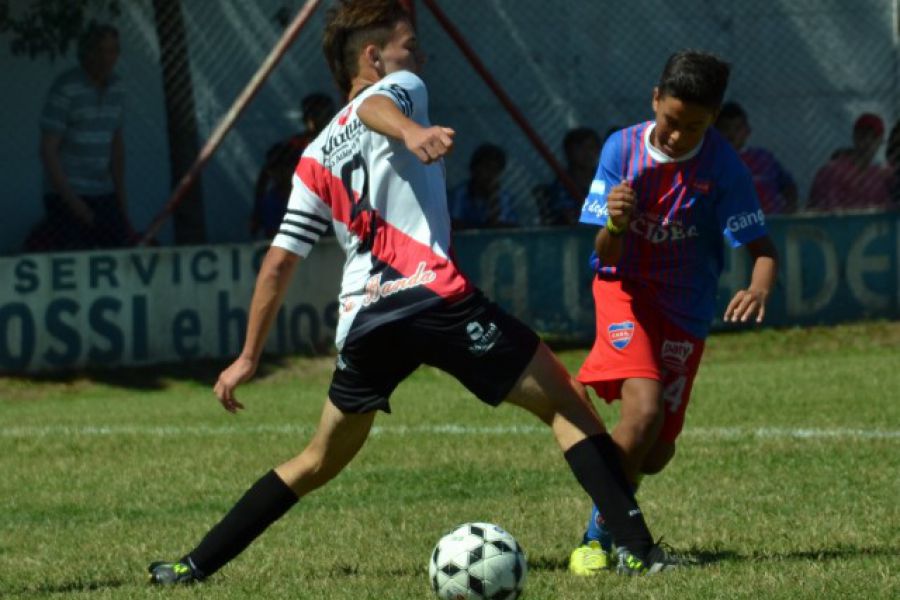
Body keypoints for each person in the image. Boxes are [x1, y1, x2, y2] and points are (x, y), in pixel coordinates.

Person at [147, 0, 677, 585]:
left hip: (366, 322)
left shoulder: (311, 156)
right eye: (410, 46)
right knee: (566, 406)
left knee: (316, 459)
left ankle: (191, 566)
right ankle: (636, 549)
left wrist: (248, 355)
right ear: (374, 57)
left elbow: (277, 262)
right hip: (432, 297)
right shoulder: (398, 88)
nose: (420, 57)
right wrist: (412, 130)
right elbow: (374, 106)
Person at [568, 50, 778, 576]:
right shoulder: (621, 148)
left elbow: (763, 249)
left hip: (685, 309)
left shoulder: (724, 168)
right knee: (640, 414)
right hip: (625, 292)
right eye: (670, 120)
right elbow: (605, 254)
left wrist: (758, 287)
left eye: (694, 126)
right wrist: (615, 225)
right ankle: (599, 539)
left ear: (714, 120)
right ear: (655, 99)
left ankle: (617, 524)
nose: (677, 135)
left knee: (657, 451)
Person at [34, 23, 133, 251]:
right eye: (100, 51)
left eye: (112, 51)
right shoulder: (66, 88)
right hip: (67, 193)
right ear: (87, 53)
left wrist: (121, 198)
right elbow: (48, 150)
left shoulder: (118, 88)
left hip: (102, 190)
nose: (106, 58)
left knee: (120, 251)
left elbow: (116, 146)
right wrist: (75, 204)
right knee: (75, 257)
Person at [253, 92, 337, 228]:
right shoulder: (295, 145)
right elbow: (266, 172)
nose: (325, 119)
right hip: (296, 203)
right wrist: (256, 211)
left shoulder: (340, 140)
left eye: (327, 115)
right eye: (317, 115)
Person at [715, 101, 798, 214]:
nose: (731, 134)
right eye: (725, 128)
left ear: (747, 131)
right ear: (715, 132)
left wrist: (790, 208)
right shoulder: (712, 162)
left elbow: (788, 186)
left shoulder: (763, 159)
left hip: (772, 222)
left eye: (737, 128)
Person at [806, 113, 892, 212]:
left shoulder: (879, 177)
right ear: (854, 136)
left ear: (881, 141)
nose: (868, 141)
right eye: (863, 135)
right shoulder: (832, 171)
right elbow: (827, 210)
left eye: (874, 137)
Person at [537, 127, 602, 225]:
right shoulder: (559, 187)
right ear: (568, 152)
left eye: (591, 148)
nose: (587, 153)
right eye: (580, 148)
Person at [447, 143, 518, 229]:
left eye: (496, 170)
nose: (490, 175)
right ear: (474, 168)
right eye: (487, 167)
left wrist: (493, 200)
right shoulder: (459, 195)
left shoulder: (503, 197)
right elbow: (453, 225)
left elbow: (508, 228)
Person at [250, 142, 302, 238]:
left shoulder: (313, 197)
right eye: (276, 168)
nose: (283, 172)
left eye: (288, 164)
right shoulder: (269, 203)